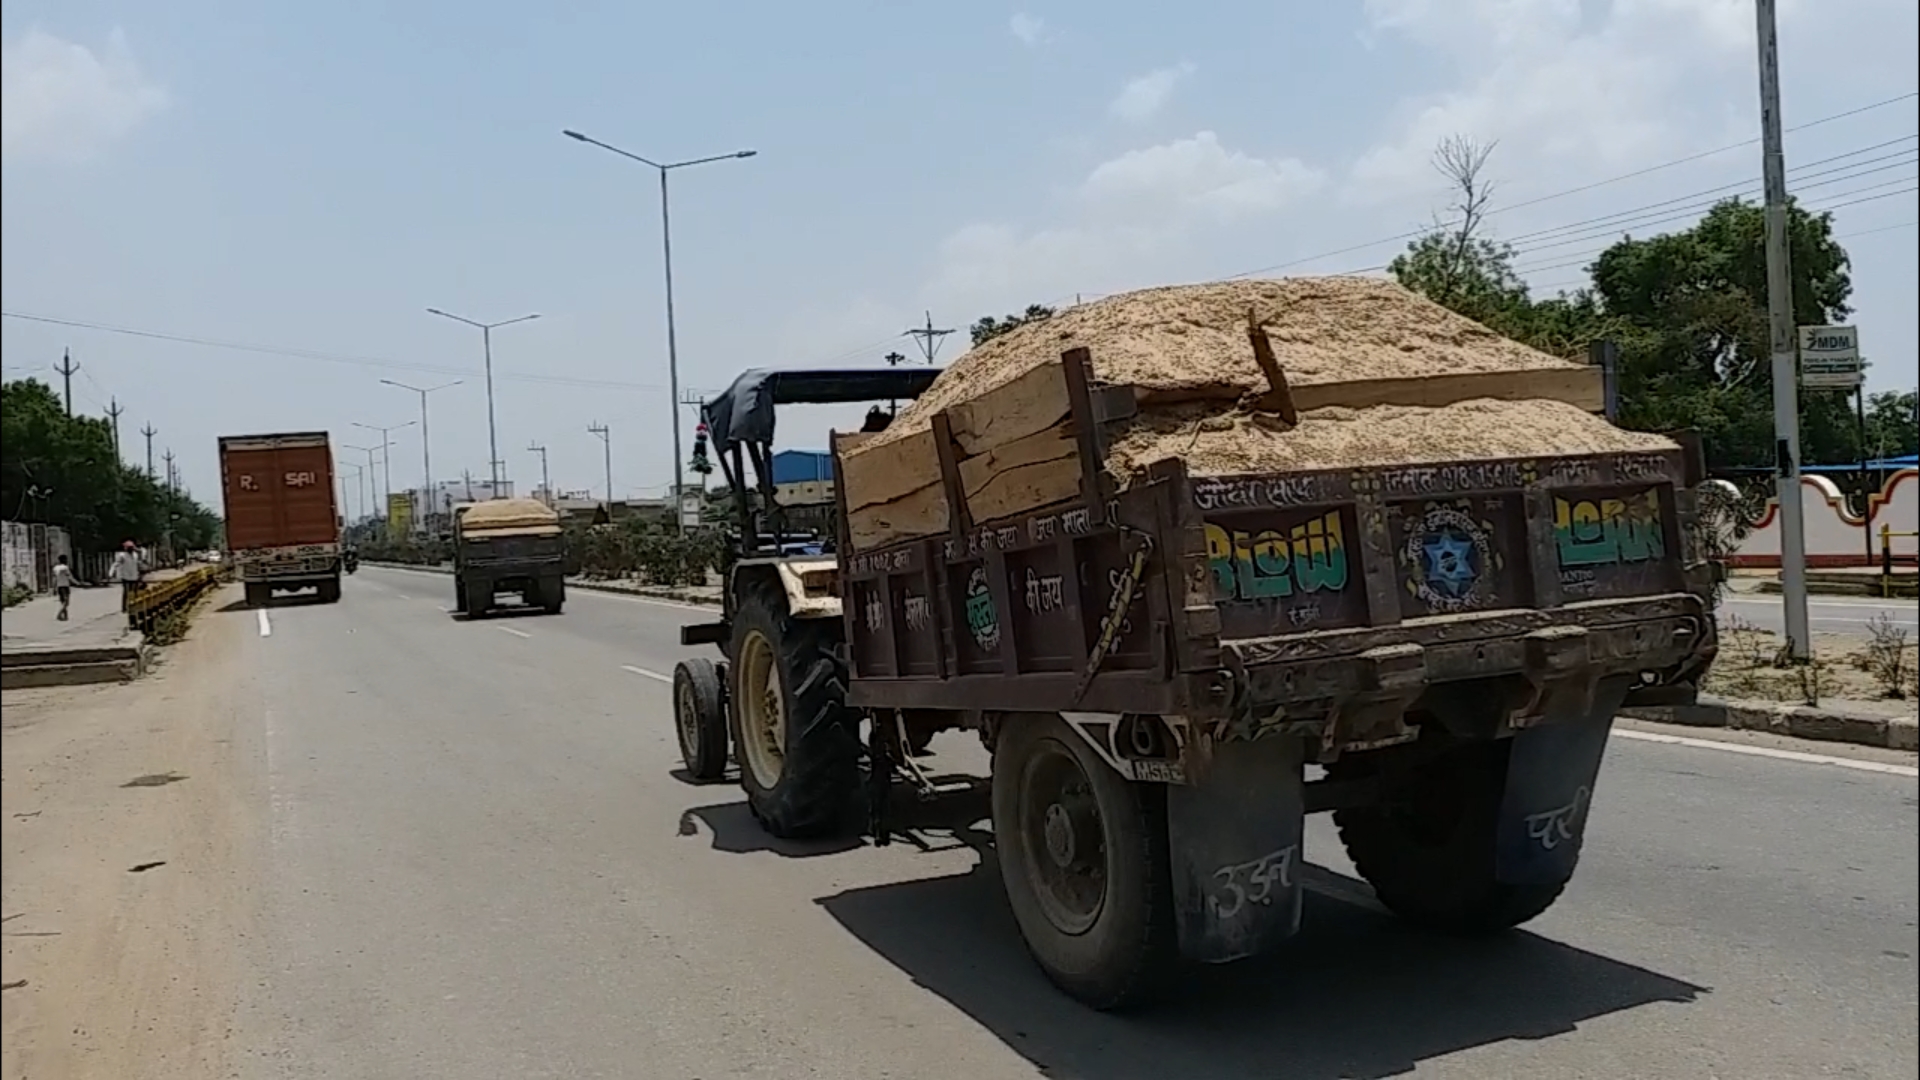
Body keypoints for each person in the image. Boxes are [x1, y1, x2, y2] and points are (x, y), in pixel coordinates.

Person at [111, 540, 144, 612]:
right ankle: (124, 608)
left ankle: (134, 606)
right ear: (126, 548)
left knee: (134, 592)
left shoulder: (135, 555)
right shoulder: (122, 556)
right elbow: (116, 563)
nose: (131, 549)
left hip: (134, 576)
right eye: (129, 547)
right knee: (126, 592)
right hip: (125, 576)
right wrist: (111, 572)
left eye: (132, 547)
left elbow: (138, 564)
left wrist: (140, 573)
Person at [52, 554, 74, 621]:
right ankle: (59, 614)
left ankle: (65, 616)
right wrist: (78, 583)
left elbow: (54, 578)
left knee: (62, 601)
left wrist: (54, 588)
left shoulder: (55, 568)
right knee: (66, 602)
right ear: (64, 560)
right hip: (65, 586)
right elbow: (69, 577)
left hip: (59, 586)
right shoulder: (65, 567)